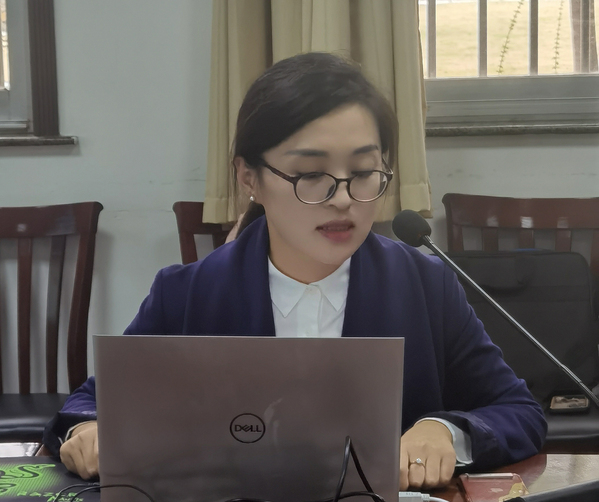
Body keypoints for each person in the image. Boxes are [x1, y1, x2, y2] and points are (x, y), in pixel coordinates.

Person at [44, 52, 546, 491]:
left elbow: (517, 411)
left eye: (363, 173)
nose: (343, 199)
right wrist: (89, 431)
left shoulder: (425, 285)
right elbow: (88, 406)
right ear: (249, 177)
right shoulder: (188, 293)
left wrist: (445, 432)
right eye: (310, 174)